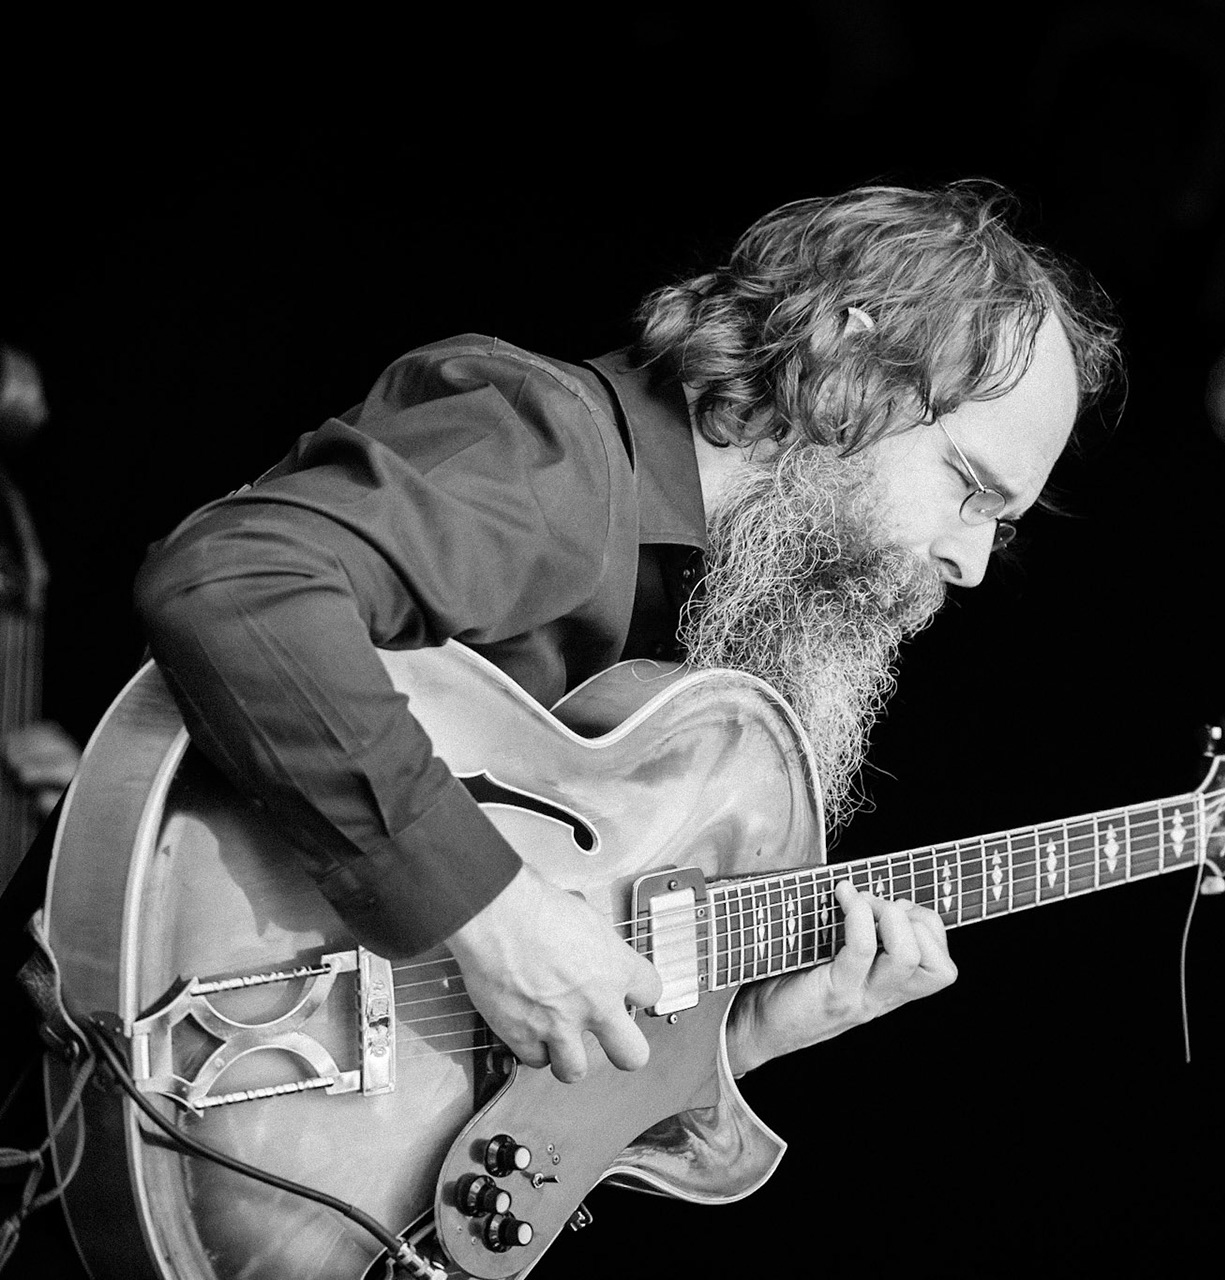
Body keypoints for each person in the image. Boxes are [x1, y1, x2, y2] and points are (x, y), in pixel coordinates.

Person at [130, 180, 1121, 1088]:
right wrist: (492, 909)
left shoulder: (714, 603)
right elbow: (234, 580)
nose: (973, 562)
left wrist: (754, 1034)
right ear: (849, 355)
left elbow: (509, 1061)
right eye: (971, 490)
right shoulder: (555, 448)